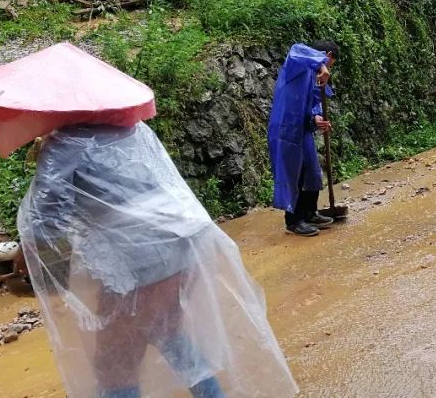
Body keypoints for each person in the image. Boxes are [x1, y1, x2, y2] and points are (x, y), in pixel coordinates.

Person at [18, 123, 297, 398]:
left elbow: (45, 221)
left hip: (134, 266)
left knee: (115, 366)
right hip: (180, 248)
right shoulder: (132, 129)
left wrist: (36, 269)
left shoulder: (66, 144)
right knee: (170, 335)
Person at [269, 41, 338, 236]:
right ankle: (294, 221)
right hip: (285, 128)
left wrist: (317, 118)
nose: (327, 69)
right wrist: (322, 65)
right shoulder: (297, 63)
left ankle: (309, 212)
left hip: (302, 129)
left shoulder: (314, 77)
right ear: (327, 54)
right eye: (329, 62)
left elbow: (314, 104)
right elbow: (295, 49)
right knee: (294, 174)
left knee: (311, 171)